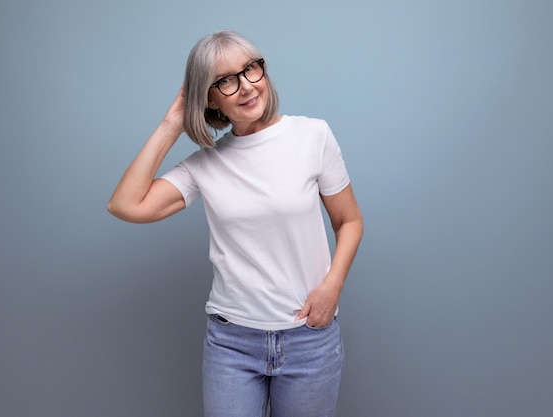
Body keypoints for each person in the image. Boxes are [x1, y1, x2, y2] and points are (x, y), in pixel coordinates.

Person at [108, 29, 363, 417]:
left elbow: (349, 220)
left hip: (309, 341)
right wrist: (171, 123)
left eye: (251, 69)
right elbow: (126, 205)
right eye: (225, 80)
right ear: (208, 97)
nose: (245, 86)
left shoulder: (313, 135)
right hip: (232, 345)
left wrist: (332, 286)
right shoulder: (205, 164)